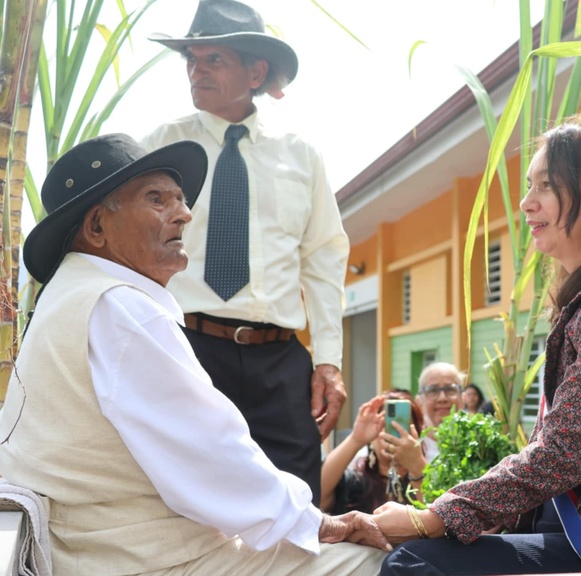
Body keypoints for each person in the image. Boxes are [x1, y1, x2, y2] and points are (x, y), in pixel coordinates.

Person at [0, 134, 387, 575]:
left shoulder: (73, 294)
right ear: (97, 228)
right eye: (157, 199)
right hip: (144, 559)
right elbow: (210, 455)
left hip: (100, 547)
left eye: (181, 200)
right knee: (377, 562)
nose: (184, 214)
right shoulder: (121, 307)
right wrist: (316, 521)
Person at [373, 116, 581, 575]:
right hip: (569, 528)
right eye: (530, 186)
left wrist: (432, 517)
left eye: (546, 186)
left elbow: (563, 455)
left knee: (415, 564)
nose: (527, 203)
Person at [141, 0, 348, 504]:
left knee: (295, 502)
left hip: (279, 362)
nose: (197, 69)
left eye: (214, 59)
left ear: (256, 71)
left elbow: (323, 259)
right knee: (188, 506)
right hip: (188, 350)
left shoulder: (301, 155)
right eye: (192, 58)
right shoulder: (158, 150)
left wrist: (329, 362)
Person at [321, 390, 426, 514]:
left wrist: (417, 466)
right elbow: (317, 494)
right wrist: (355, 439)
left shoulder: (435, 477)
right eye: (386, 425)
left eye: (402, 426)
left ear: (417, 434)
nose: (390, 435)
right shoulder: (355, 483)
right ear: (372, 439)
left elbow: (441, 515)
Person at [415, 362, 465, 461]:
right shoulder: (412, 447)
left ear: (463, 398)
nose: (442, 398)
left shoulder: (479, 446)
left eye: (450, 389)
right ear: (419, 402)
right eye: (433, 390)